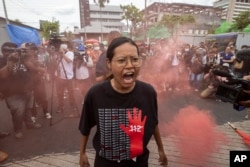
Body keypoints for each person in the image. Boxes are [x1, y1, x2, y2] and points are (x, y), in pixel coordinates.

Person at [79, 37, 168, 167]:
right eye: (121, 60)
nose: (130, 65)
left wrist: (161, 149)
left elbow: (153, 122)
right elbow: (85, 126)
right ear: (109, 63)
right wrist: (82, 153)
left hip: (138, 162)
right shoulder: (96, 94)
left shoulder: (148, 92)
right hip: (106, 162)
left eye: (134, 59)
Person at [0, 42, 42, 139]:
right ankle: (17, 130)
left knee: (27, 109)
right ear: (5, 52)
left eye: (16, 50)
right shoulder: (2, 60)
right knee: (17, 112)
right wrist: (10, 61)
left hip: (26, 89)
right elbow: (2, 75)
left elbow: (29, 69)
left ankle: (29, 124)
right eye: (13, 50)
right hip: (12, 93)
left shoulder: (21, 58)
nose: (16, 52)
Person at [55, 43, 78, 115]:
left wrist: (63, 54)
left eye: (62, 49)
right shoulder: (59, 55)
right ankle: (61, 106)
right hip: (60, 77)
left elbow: (69, 61)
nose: (61, 51)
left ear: (65, 49)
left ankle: (72, 105)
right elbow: (57, 65)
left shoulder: (70, 53)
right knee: (59, 93)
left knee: (70, 92)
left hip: (68, 76)